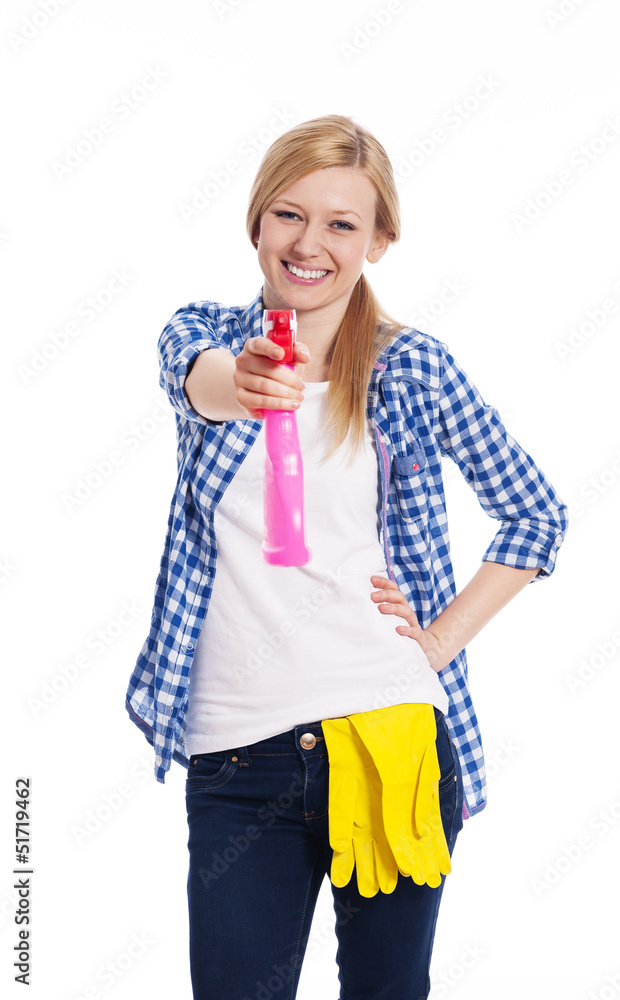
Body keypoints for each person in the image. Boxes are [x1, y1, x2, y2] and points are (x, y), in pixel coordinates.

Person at [125, 113, 568, 999]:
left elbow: (535, 515)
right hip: (237, 754)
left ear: (377, 242)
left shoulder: (415, 369)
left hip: (390, 734)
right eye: (289, 214)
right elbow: (203, 382)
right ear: (256, 221)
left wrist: (437, 641)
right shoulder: (202, 336)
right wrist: (247, 382)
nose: (308, 244)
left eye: (341, 224)